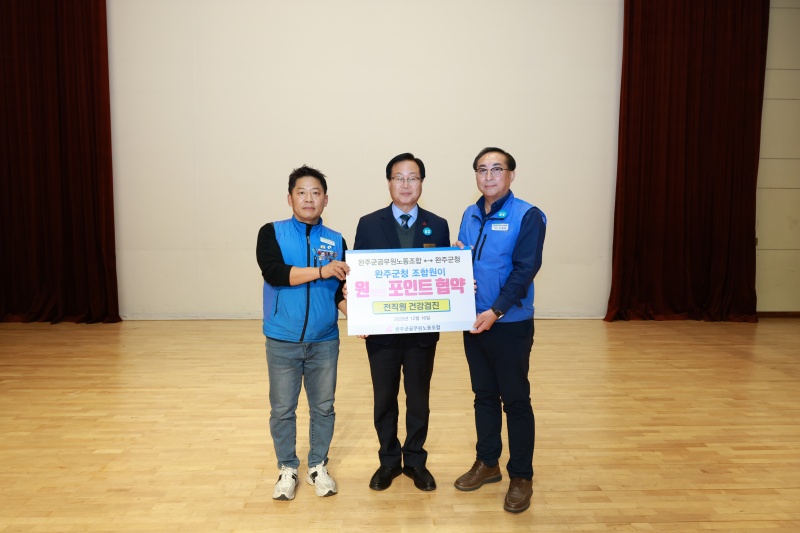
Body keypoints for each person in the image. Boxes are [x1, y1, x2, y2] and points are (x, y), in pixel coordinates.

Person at [453, 147, 546, 513]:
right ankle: (487, 462)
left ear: (511, 175)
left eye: (496, 169)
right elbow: (463, 260)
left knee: (516, 400)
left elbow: (525, 270)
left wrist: (496, 310)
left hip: (510, 323)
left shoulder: (528, 215)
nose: (488, 176)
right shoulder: (470, 213)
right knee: (484, 396)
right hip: (473, 322)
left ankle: (521, 476)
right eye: (482, 169)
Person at [353, 153, 450, 492]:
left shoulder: (438, 224)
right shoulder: (368, 223)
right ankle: (389, 461)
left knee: (419, 399)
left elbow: (442, 273)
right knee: (384, 398)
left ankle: (416, 461)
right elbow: (359, 275)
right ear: (389, 182)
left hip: (422, 330)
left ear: (421, 183)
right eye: (399, 177)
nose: (406, 184)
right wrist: (357, 307)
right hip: (381, 331)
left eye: (413, 177)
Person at [256, 165, 350, 501]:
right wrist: (322, 270)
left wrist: (362, 319)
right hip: (282, 339)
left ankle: (317, 466)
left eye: (316, 193)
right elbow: (275, 273)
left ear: (326, 200)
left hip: (324, 340)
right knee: (282, 409)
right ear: (290, 198)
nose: (309, 199)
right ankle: (287, 468)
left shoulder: (337, 240)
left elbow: (339, 293)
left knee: (323, 407)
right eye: (302, 192)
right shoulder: (271, 232)